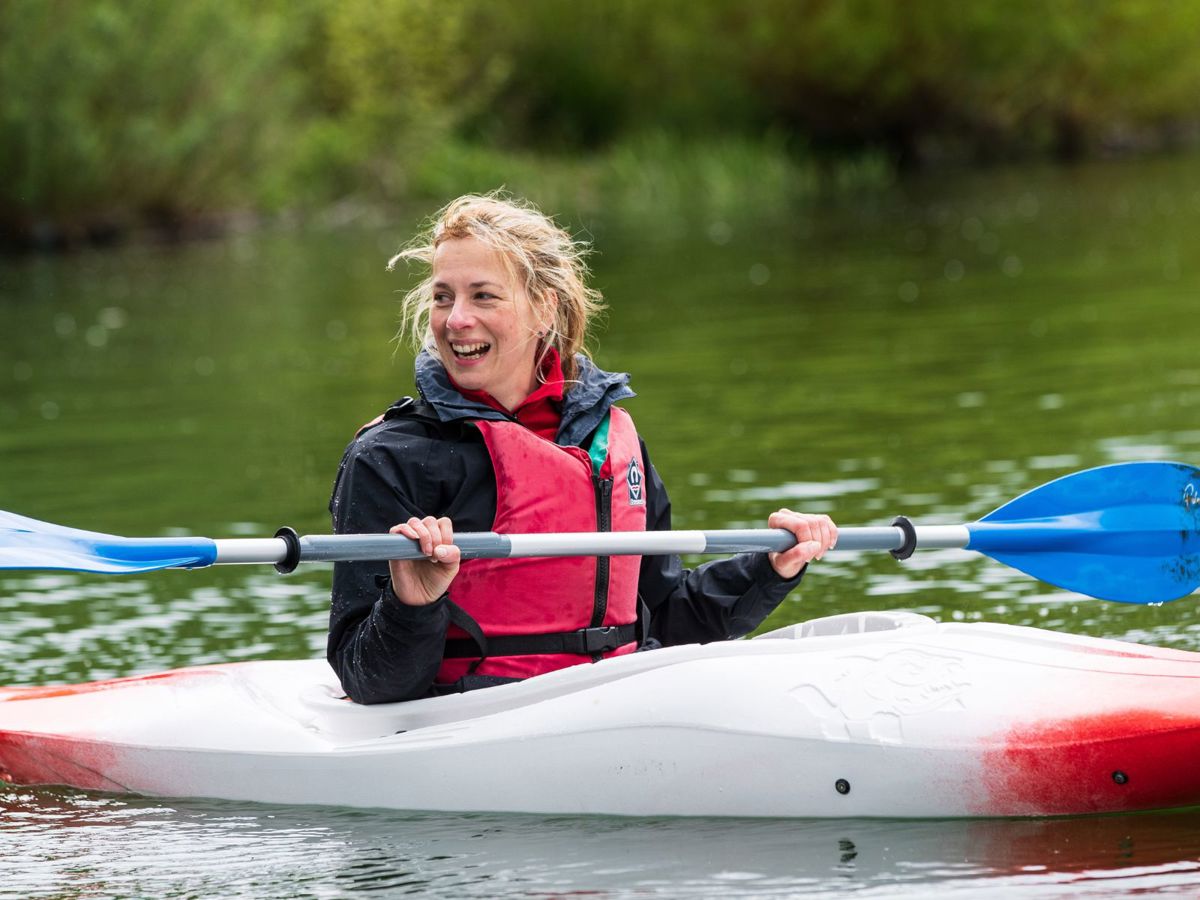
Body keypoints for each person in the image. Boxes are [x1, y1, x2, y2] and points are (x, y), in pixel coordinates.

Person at [327, 193, 838, 704]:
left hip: (616, 705)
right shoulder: (389, 456)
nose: (456, 319)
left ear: (543, 307)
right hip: (476, 720)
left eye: (483, 296)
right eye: (443, 297)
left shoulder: (609, 439)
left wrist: (771, 566)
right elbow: (369, 681)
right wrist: (411, 602)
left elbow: (664, 617)